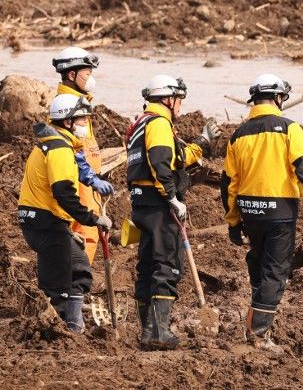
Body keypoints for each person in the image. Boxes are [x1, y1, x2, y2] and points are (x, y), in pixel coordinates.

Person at [222, 74, 303, 352]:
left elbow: (229, 182)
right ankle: (258, 335)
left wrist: (232, 220)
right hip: (280, 212)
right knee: (275, 273)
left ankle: (255, 323)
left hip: (250, 211)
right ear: (278, 99)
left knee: (259, 264)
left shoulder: (238, 134)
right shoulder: (290, 129)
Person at [126, 76, 218, 350]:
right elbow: (160, 161)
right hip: (158, 204)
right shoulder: (159, 124)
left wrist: (202, 141)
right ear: (168, 99)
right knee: (166, 264)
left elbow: (176, 156)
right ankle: (159, 333)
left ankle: (147, 332)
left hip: (142, 204)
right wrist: (171, 197)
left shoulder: (141, 124)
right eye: (180, 99)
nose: (181, 106)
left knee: (148, 267)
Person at [17, 94, 112, 332]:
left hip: (47, 221)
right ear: (67, 122)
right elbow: (64, 193)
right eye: (81, 120)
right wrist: (92, 218)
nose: (85, 124)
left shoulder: (60, 144)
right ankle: (55, 331)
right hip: (44, 223)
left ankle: (73, 323)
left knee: (79, 266)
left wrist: (69, 230)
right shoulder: (59, 148)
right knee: (57, 283)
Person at [52, 46, 112, 264]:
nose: (91, 79)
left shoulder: (79, 101)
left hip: (87, 179)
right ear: (71, 75)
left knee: (86, 234)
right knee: (84, 234)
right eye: (87, 74)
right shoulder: (68, 106)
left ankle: (76, 284)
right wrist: (90, 177)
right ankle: (76, 286)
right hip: (80, 179)